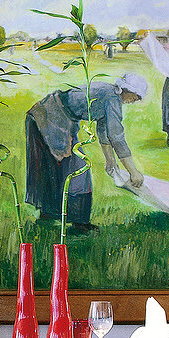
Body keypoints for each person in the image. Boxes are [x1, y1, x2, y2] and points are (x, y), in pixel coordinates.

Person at [25, 72, 148, 232]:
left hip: (48, 116)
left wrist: (110, 161)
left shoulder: (110, 95)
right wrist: (133, 171)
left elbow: (104, 130)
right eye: (136, 96)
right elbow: (117, 137)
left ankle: (48, 216)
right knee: (77, 170)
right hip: (49, 119)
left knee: (55, 168)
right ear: (127, 90)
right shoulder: (112, 98)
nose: (135, 101)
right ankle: (78, 223)